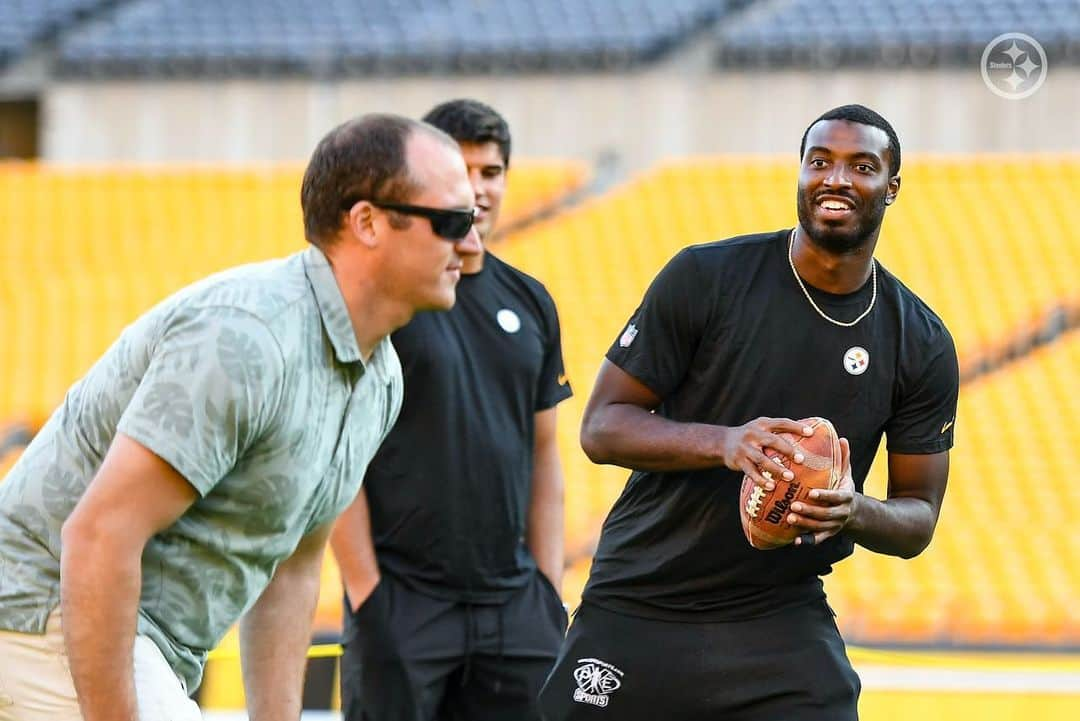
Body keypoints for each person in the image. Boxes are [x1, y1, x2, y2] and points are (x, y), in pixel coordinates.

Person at [0, 113, 481, 721]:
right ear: (366, 222)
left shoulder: (381, 376)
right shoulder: (248, 338)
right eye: (453, 222)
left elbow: (293, 567)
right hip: (34, 613)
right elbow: (97, 537)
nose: (472, 244)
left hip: (136, 638)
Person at [539, 104, 959, 721]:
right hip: (643, 595)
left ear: (891, 188)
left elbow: (919, 517)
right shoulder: (706, 277)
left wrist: (854, 510)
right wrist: (726, 443)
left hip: (777, 612)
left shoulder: (919, 340)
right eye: (820, 162)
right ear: (801, 174)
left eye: (861, 166)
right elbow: (601, 427)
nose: (836, 179)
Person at [331, 98, 572, 721]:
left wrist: (547, 590)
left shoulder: (532, 301)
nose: (479, 190)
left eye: (491, 172)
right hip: (405, 602)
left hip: (515, 606)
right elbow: (339, 452)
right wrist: (368, 593)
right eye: (462, 174)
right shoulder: (389, 300)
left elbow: (545, 451)